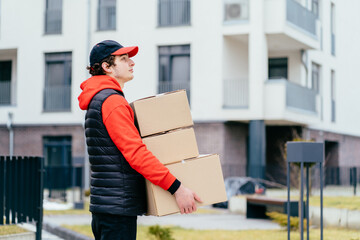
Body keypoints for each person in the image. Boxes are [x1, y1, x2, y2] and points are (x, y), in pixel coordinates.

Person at [78, 40, 202, 240]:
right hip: (117, 211)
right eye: (124, 59)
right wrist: (177, 188)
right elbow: (136, 154)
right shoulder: (113, 102)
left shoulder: (98, 99)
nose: (131, 63)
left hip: (107, 207)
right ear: (107, 67)